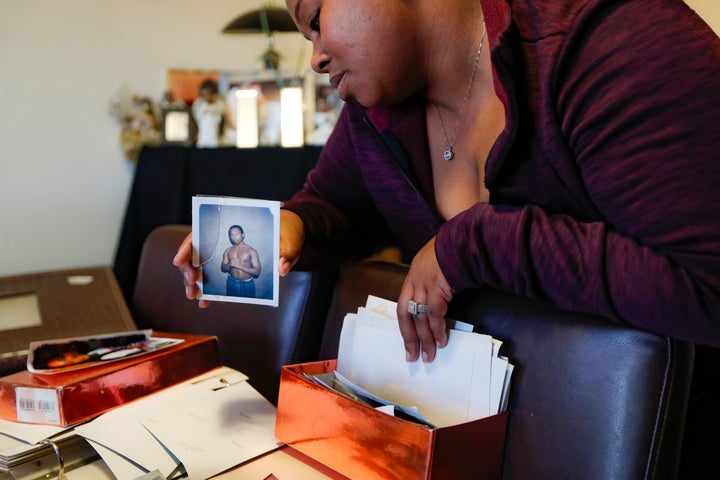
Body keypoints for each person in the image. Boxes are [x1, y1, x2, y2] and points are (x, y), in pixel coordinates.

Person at [174, 0, 719, 473]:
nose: (315, 56)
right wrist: (292, 226)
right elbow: (333, 205)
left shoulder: (609, 40)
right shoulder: (374, 112)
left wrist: (477, 245)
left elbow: (710, 287)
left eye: (316, 20)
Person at [220, 225, 261, 298]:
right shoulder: (228, 250)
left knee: (248, 307)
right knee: (231, 306)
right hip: (231, 282)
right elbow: (223, 268)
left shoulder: (251, 251)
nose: (234, 237)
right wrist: (229, 264)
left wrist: (240, 266)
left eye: (237, 234)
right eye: (231, 234)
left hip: (247, 284)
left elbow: (257, 272)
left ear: (243, 235)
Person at [191, 79, 226, 148]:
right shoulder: (198, 104)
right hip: (202, 137)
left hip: (215, 137)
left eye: (209, 94)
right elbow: (195, 120)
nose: (206, 97)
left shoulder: (220, 104)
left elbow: (221, 119)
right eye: (203, 94)